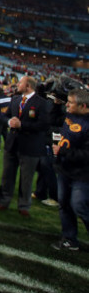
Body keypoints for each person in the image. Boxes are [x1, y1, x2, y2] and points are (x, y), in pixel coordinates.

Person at [0, 75, 49, 217]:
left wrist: (22, 125)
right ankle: (3, 202)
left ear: (28, 85)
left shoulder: (41, 103)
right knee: (7, 175)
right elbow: (4, 116)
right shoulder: (15, 100)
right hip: (12, 144)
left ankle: (24, 206)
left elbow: (43, 125)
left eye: (20, 82)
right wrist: (9, 122)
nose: (17, 84)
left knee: (26, 179)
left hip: (30, 146)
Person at [51, 89, 89, 251]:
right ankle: (70, 239)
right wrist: (55, 104)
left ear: (83, 106)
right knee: (64, 204)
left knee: (79, 205)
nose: (67, 105)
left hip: (82, 173)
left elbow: (87, 154)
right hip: (64, 168)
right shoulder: (69, 114)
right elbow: (53, 120)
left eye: (71, 102)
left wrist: (62, 151)